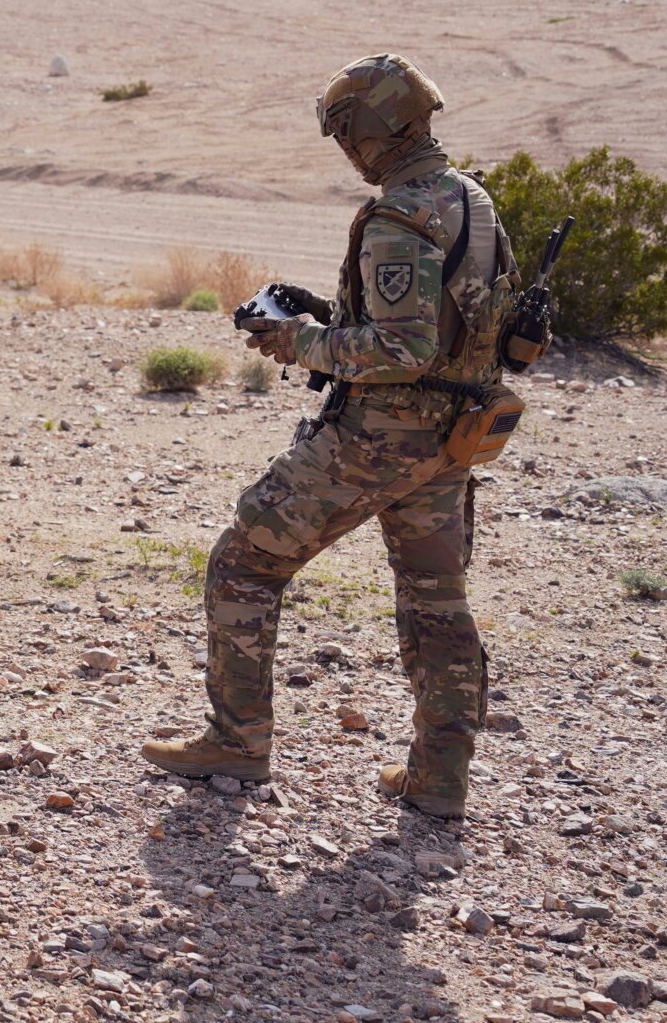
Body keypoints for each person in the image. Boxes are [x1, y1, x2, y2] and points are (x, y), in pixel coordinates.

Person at [139, 54, 521, 819]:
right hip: (452, 443)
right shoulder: (471, 201)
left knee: (244, 561)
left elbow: (401, 350)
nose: (345, 149)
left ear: (369, 132)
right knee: (437, 604)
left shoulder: (399, 213)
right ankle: (440, 781)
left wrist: (302, 342)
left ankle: (236, 742)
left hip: (374, 441)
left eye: (345, 133)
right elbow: (458, 326)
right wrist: (325, 311)